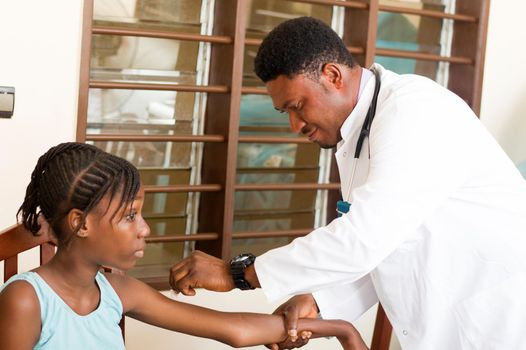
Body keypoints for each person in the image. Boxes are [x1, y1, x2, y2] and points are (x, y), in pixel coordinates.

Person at [170, 16, 526, 350]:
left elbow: (363, 240)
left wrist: (239, 273)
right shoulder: (360, 136)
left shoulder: (414, 112)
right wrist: (320, 301)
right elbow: (387, 248)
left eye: (297, 106)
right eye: (286, 113)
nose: (295, 126)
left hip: (500, 324)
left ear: (333, 75)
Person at [0, 142, 368, 350]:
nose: (144, 229)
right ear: (81, 223)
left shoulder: (117, 291)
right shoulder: (25, 299)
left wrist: (338, 328)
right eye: (129, 216)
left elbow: (234, 330)